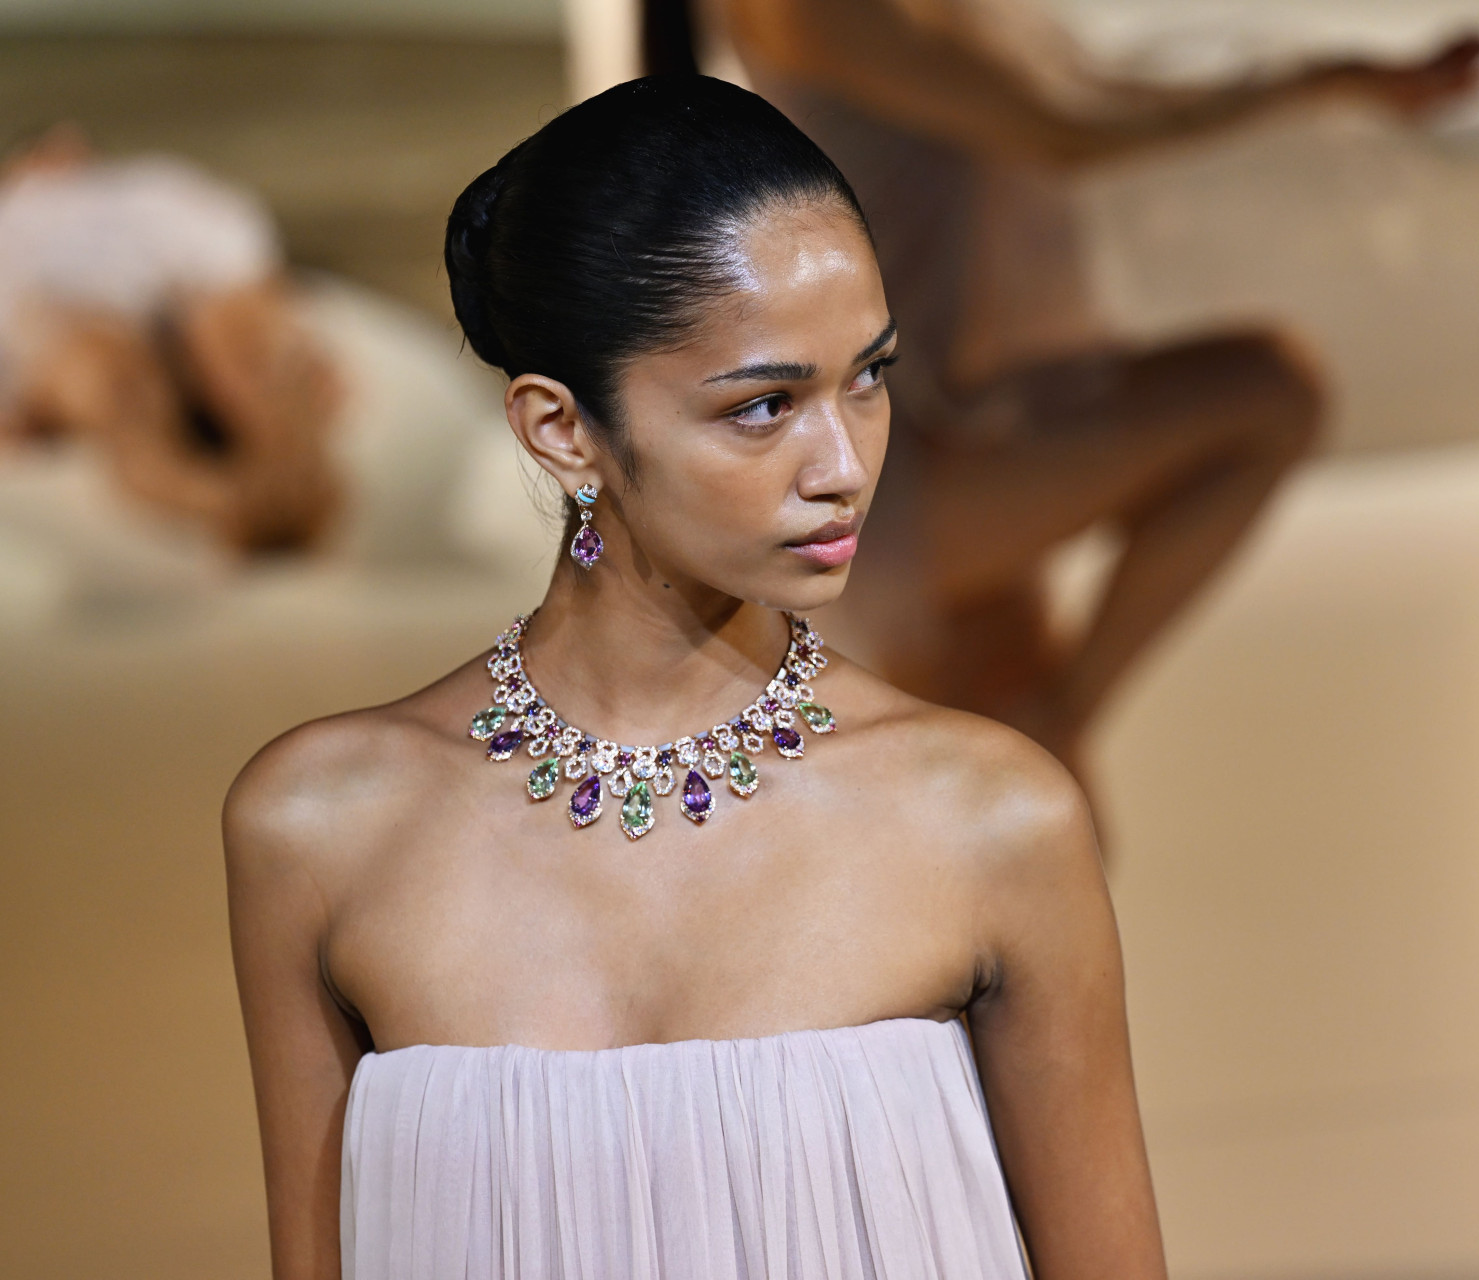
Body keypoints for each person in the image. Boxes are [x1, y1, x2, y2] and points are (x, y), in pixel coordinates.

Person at [225, 76, 1160, 1280]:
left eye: (870, 376)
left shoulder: (989, 817)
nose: (843, 464)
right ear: (563, 430)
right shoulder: (320, 827)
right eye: (766, 405)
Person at [684, 0, 1479, 777]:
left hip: (980, 419)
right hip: (892, 469)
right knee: (1269, 394)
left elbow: (1096, 96)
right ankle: (1062, 715)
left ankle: (1057, 720)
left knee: (1017, 803)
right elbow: (1065, 130)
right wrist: (1325, 82)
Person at [0, 125, 342, 552]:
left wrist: (283, 323)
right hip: (64, 305)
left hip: (181, 280)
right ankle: (227, 504)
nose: (63, 143)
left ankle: (294, 478)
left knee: (245, 347)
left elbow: (239, 261)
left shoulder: (144, 182)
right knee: (111, 381)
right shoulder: (11, 214)